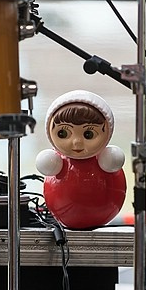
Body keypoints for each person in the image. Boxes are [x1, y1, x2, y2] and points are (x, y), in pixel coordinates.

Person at [35, 90, 126, 229]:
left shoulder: (107, 160)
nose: (77, 142)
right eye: (63, 133)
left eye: (88, 134)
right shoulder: (55, 162)